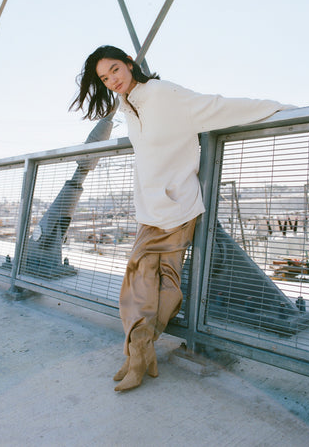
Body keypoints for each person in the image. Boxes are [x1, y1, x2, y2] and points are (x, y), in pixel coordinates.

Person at [70, 45, 294, 392]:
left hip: (177, 206)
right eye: (104, 78)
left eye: (115, 69)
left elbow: (216, 106)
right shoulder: (128, 105)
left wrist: (279, 108)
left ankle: (138, 355)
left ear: (129, 64)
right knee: (150, 280)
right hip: (150, 210)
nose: (112, 80)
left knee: (152, 280)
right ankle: (141, 353)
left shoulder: (162, 93)